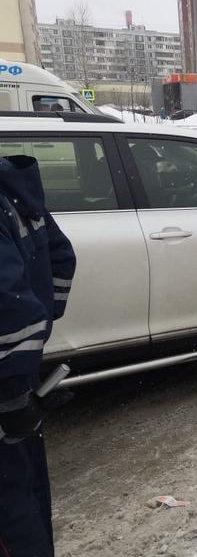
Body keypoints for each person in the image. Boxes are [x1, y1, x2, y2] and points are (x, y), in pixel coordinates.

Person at [0, 154, 76, 555]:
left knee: (11, 507)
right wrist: (43, 324)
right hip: (16, 382)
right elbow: (62, 258)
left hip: (6, 388)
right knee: (23, 490)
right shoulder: (15, 190)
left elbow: (9, 307)